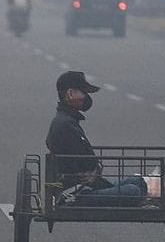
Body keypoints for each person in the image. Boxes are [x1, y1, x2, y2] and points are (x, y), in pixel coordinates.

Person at [46, 71, 147, 206]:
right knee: (133, 191)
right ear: (70, 94)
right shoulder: (65, 125)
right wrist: (94, 169)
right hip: (76, 193)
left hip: (84, 186)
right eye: (83, 92)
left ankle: (143, 198)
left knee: (138, 182)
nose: (86, 97)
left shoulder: (66, 120)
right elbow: (88, 164)